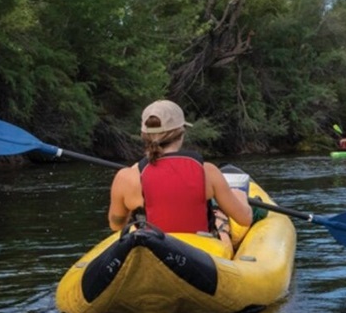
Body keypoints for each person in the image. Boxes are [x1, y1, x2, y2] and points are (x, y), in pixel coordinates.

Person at [108, 100, 254, 251]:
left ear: (143, 135)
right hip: (201, 254)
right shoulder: (208, 172)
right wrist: (240, 196)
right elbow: (245, 219)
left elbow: (116, 225)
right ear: (181, 133)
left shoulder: (125, 178)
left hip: (151, 252)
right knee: (222, 225)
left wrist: (134, 208)